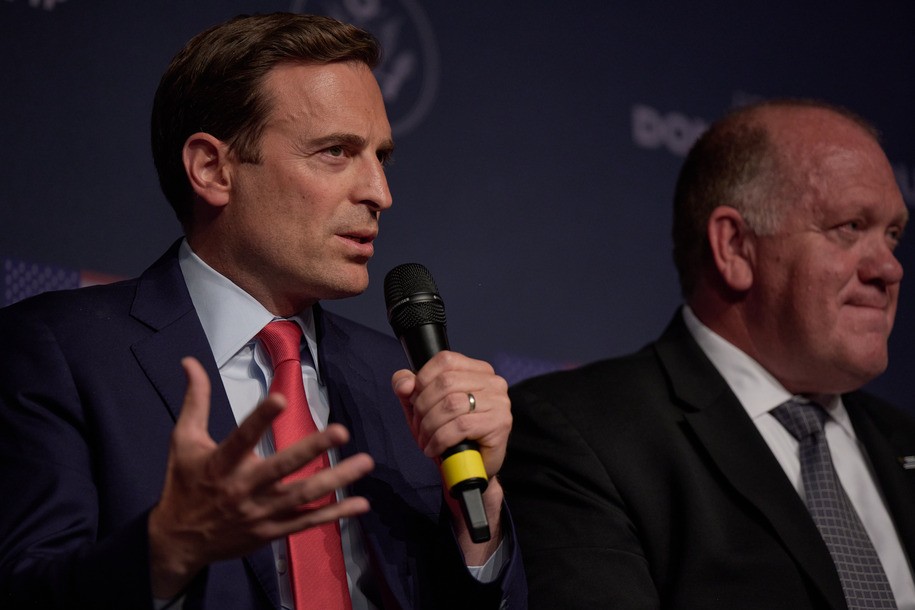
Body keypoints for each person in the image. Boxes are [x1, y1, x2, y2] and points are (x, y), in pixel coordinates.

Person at [0, 12, 525, 609]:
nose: (380, 192)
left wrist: (471, 519)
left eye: (381, 156)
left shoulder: (401, 381)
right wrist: (168, 549)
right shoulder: (60, 352)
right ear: (212, 168)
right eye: (335, 152)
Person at [500, 99, 915, 608]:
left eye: (893, 235)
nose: (890, 269)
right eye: (850, 227)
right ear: (735, 247)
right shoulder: (580, 436)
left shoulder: (905, 441)